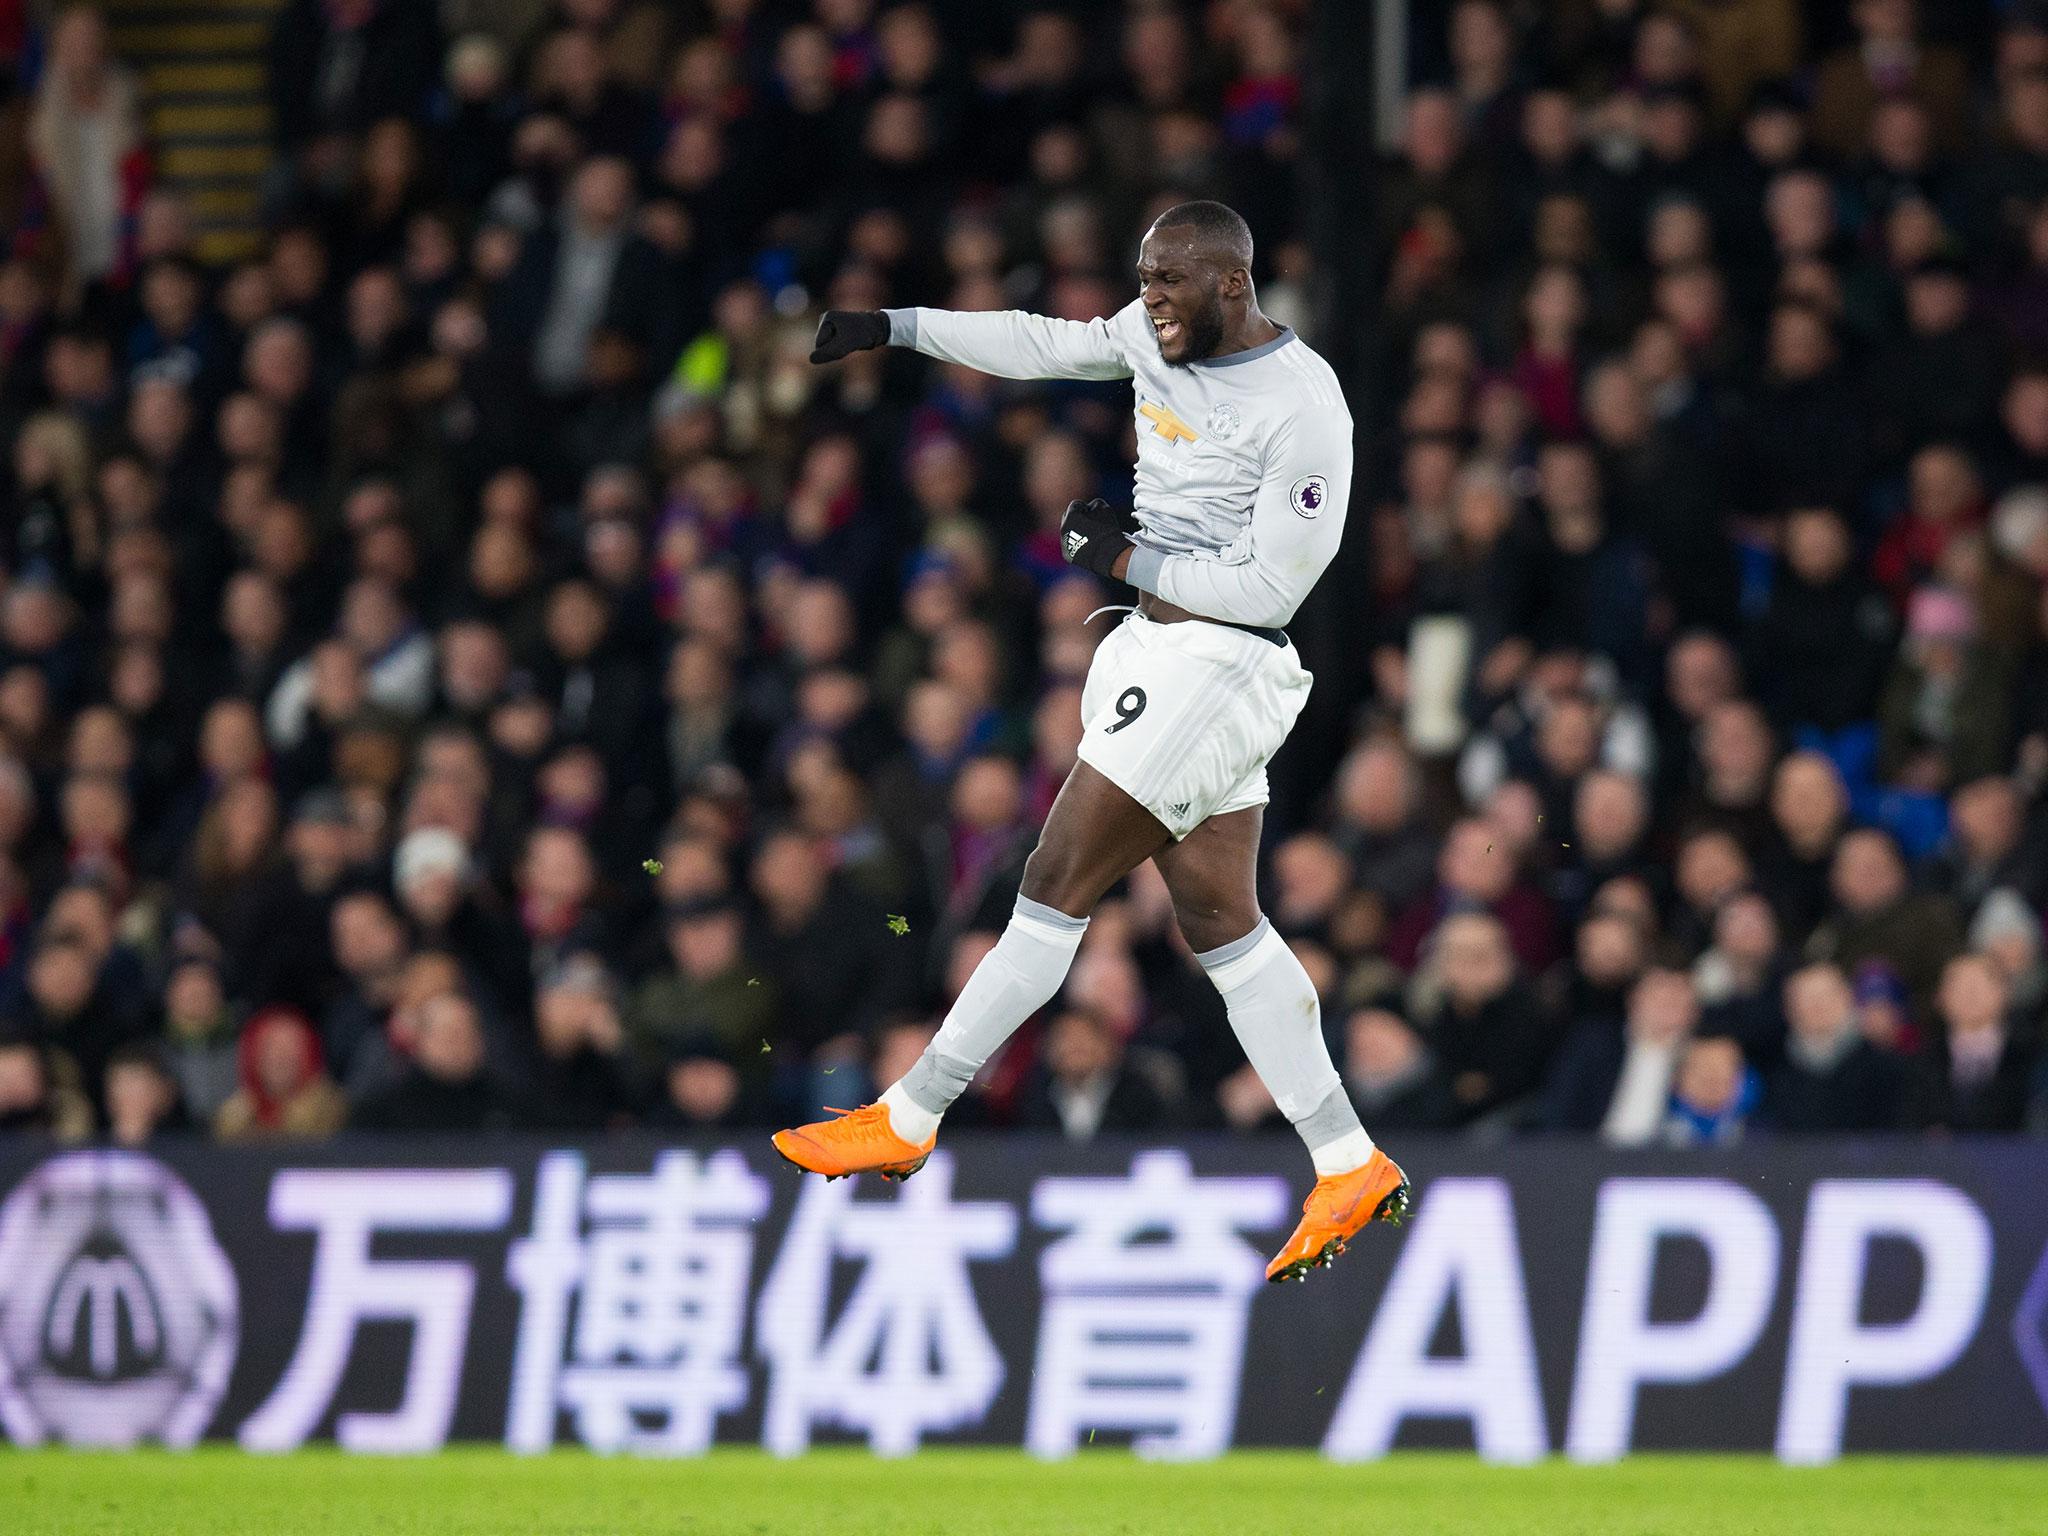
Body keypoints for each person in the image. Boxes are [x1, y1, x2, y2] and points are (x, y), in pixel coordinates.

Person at [776, 200, 1406, 1284]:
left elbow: (1273, 586)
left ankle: (912, 1112)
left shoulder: (1305, 409)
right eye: (1142, 280)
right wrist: (897, 325)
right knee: (1222, 924)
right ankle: (1345, 1161)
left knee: (1051, 880)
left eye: (1168, 284)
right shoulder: (1155, 333)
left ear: (1231, 285)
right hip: (1161, 657)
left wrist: (1123, 564)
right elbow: (1042, 342)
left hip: (1219, 660)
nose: (1147, 302)